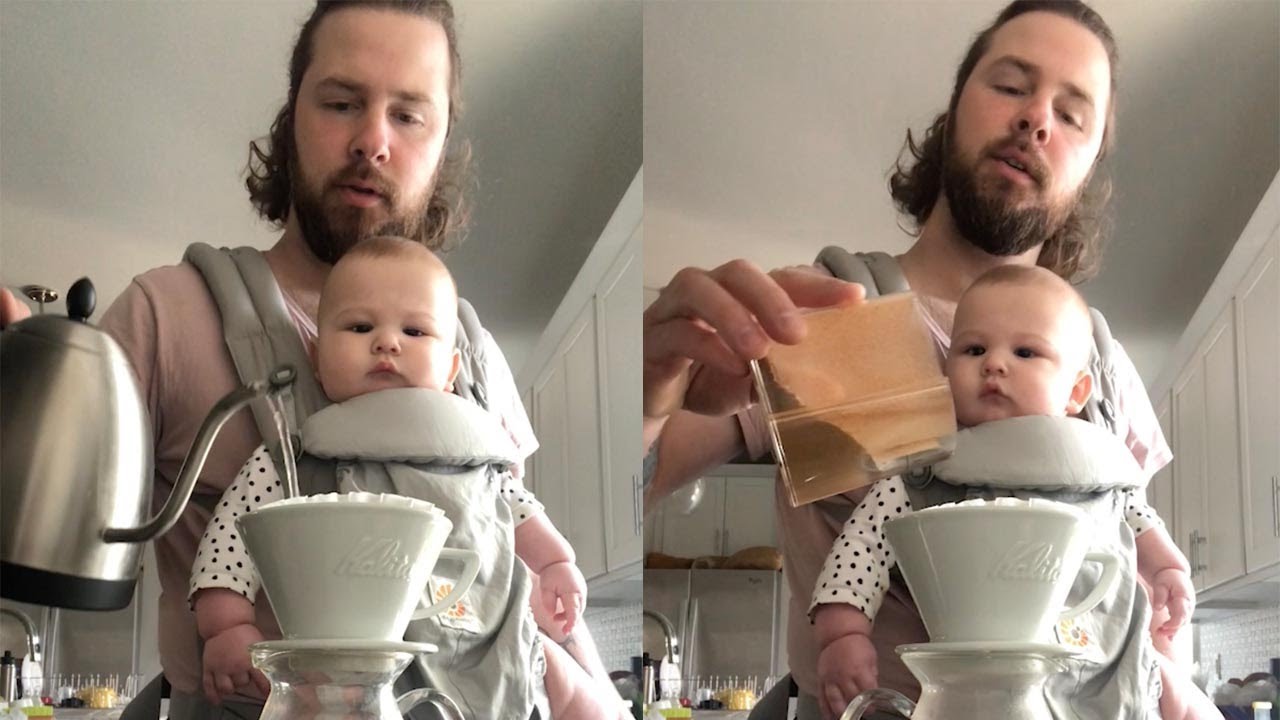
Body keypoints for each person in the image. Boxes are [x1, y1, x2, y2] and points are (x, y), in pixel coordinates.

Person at [2, 2, 620, 718]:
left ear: (443, 142)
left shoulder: (473, 354)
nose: (372, 141)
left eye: (409, 115)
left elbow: (510, 570)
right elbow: (42, 508)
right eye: (342, 102)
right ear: (291, 116)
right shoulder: (165, 316)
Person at [642, 2, 1208, 718]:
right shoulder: (831, 315)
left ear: (1091, 162)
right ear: (955, 106)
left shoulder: (1100, 364)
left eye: (1073, 116)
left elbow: (1139, 589)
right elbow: (626, 495)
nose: (1037, 118)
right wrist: (649, 393)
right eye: (1011, 84)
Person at [190, 237, 609, 720]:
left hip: (498, 642)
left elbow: (518, 510)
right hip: (358, 671)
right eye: (360, 326)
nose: (387, 342)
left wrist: (557, 564)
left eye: (414, 330)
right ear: (317, 358)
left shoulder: (481, 459)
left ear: (452, 369)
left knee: (575, 694)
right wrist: (226, 626)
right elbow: (235, 533)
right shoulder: (296, 455)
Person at [810, 265, 1194, 719]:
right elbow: (861, 547)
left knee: (1174, 695)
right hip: (987, 686)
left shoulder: (1102, 465)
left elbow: (1137, 516)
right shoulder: (926, 472)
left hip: (1111, 664)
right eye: (973, 349)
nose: (994, 363)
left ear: (1077, 392)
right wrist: (843, 635)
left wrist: (1168, 567)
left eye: (1026, 352)